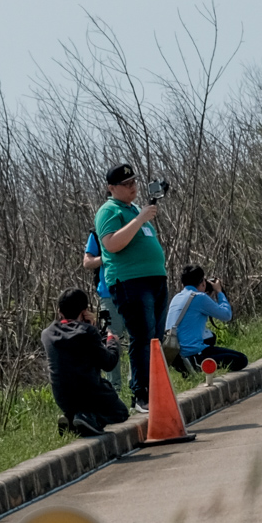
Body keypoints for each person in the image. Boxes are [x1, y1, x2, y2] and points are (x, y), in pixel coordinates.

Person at [94, 163, 168, 413]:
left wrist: (140, 216)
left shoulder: (136, 208)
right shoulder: (109, 211)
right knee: (142, 337)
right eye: (126, 184)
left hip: (155, 278)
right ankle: (141, 393)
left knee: (156, 337)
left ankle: (157, 388)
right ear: (111, 188)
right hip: (130, 282)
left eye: (134, 182)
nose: (132, 187)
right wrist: (139, 219)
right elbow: (111, 244)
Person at [41, 288, 129, 436]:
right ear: (84, 312)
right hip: (90, 394)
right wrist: (112, 342)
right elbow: (108, 363)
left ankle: (71, 418)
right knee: (121, 412)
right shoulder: (87, 332)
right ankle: (89, 418)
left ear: (59, 311)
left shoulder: (47, 334)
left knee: (76, 400)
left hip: (63, 398)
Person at [166, 265, 248, 372]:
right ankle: (196, 366)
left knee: (211, 337)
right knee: (241, 359)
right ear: (203, 282)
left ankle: (187, 365)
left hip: (176, 355)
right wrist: (219, 292)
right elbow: (226, 315)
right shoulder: (199, 297)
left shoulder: (176, 298)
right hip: (194, 354)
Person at [82, 231, 125, 394]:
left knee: (139, 339)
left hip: (135, 291)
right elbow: (87, 262)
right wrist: (105, 257)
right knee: (112, 338)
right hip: (109, 293)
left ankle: (138, 384)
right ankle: (115, 388)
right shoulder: (98, 234)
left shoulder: (133, 225)